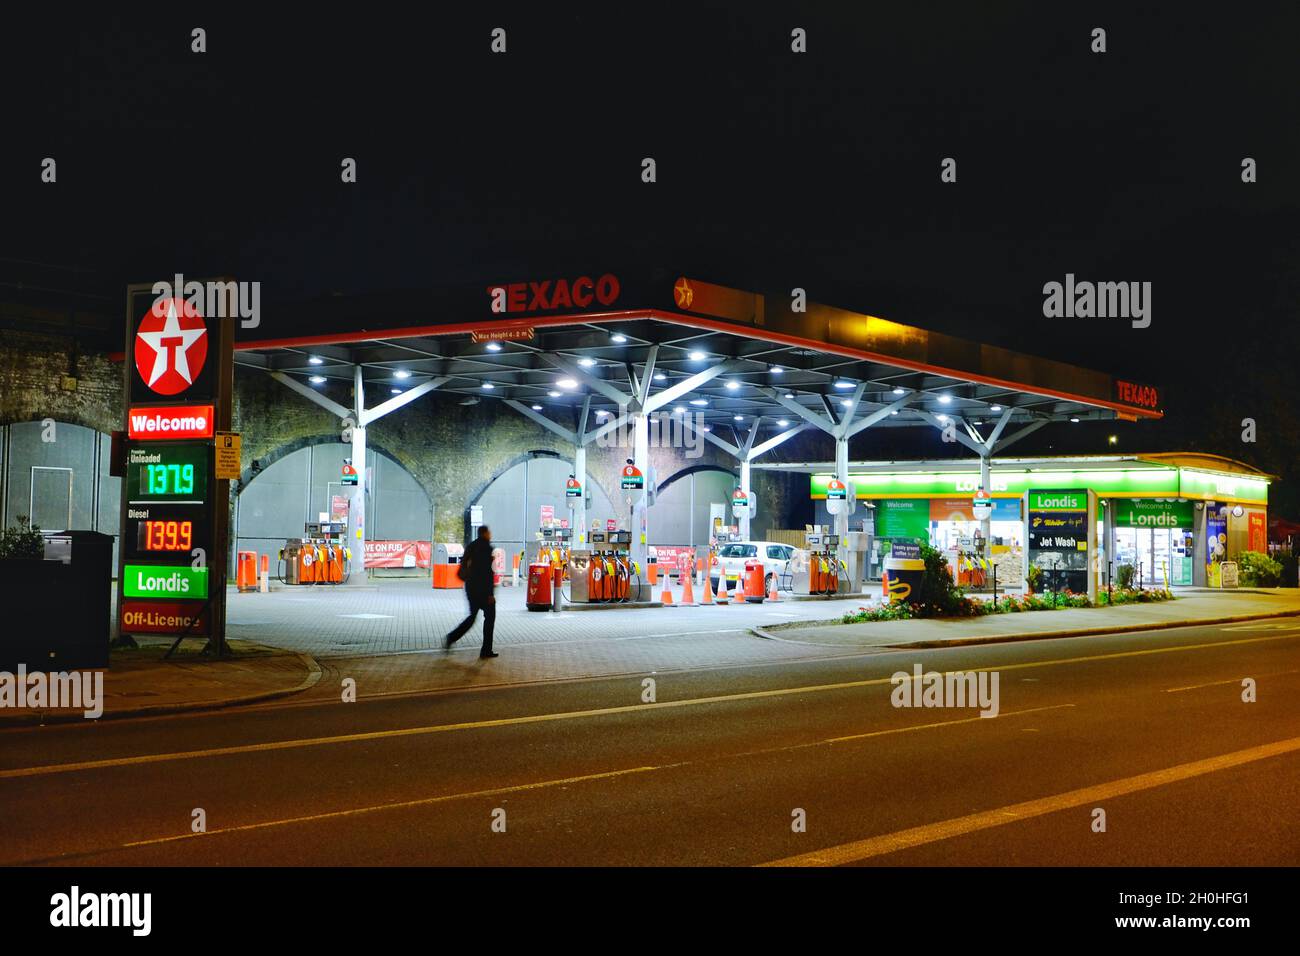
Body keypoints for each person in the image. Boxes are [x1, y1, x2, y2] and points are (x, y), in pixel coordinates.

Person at [445, 525, 498, 658]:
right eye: (489, 532)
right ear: (485, 533)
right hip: (483, 590)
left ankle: (451, 637)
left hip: (470, 587)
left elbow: (465, 565)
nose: (490, 534)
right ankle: (486, 650)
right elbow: (487, 573)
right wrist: (490, 594)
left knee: (472, 617)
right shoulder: (487, 548)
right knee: (490, 617)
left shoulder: (471, 546)